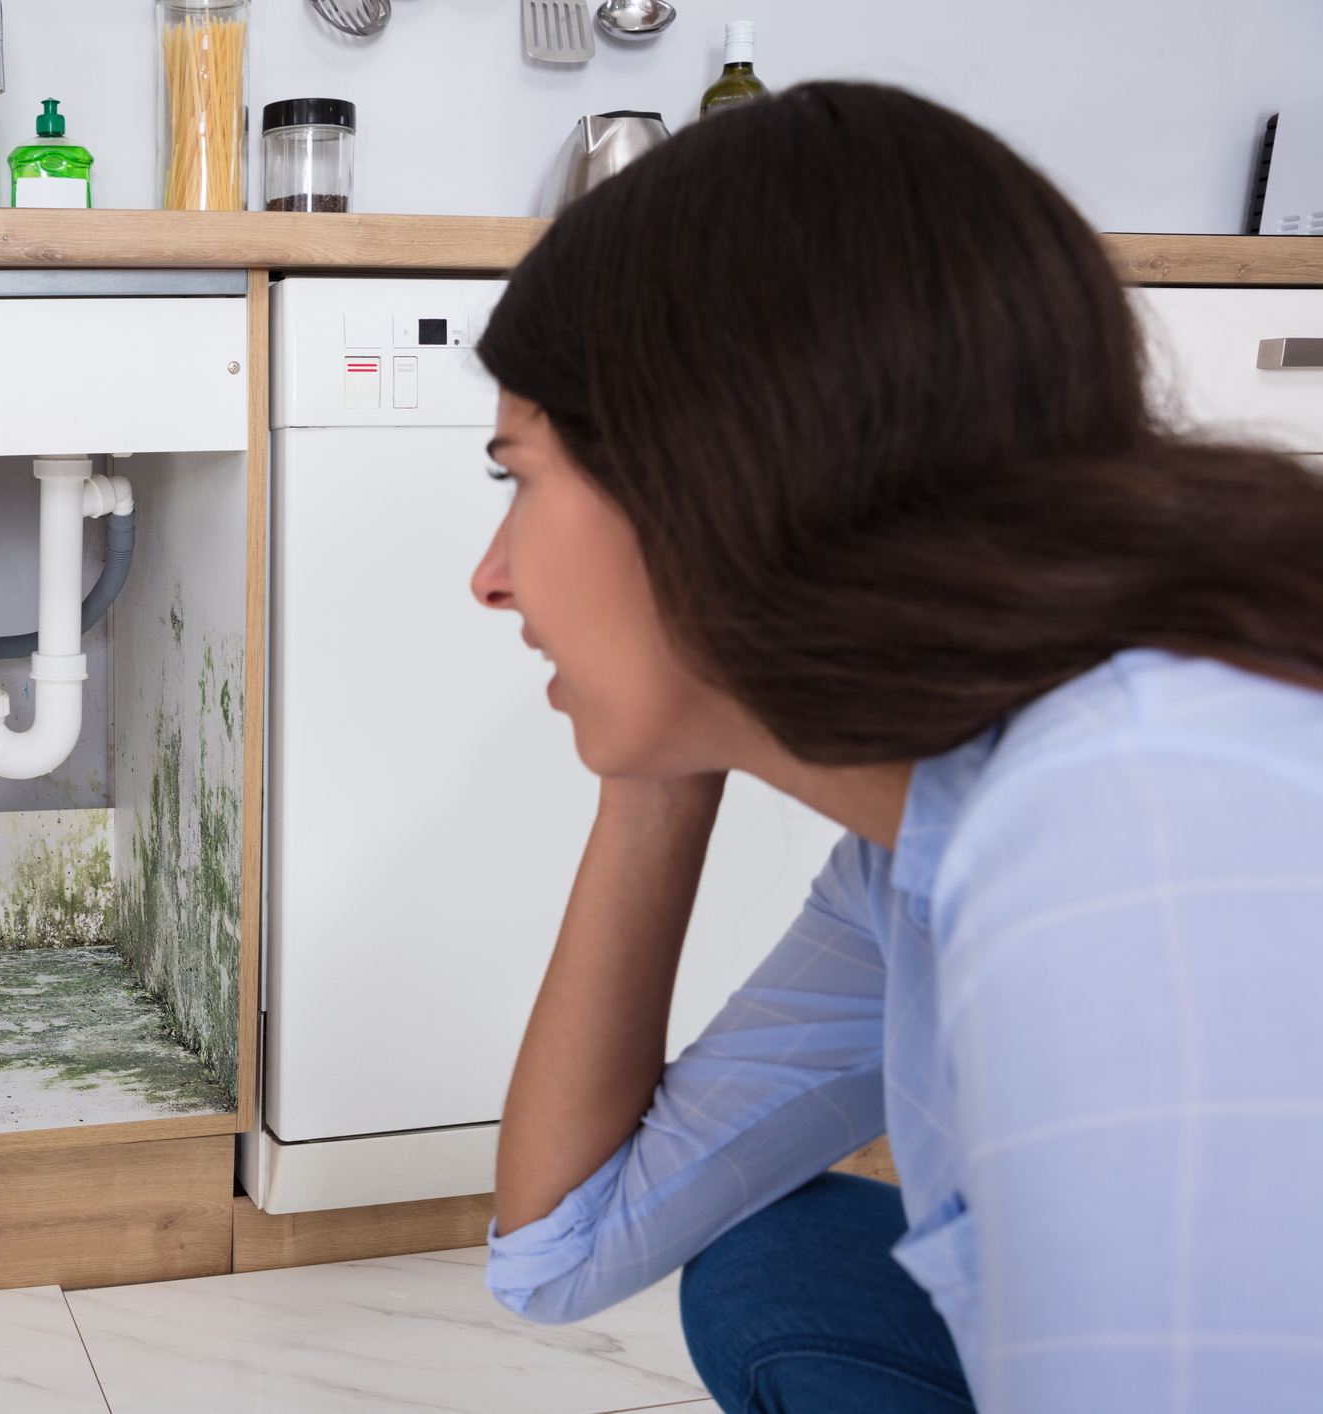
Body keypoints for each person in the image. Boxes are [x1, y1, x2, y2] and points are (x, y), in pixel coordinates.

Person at [472, 82, 1323, 1414]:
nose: (490, 576)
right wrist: (654, 764)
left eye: (516, 476)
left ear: (716, 464)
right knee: (776, 1269)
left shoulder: (1136, 840)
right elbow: (556, 1251)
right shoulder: (916, 844)